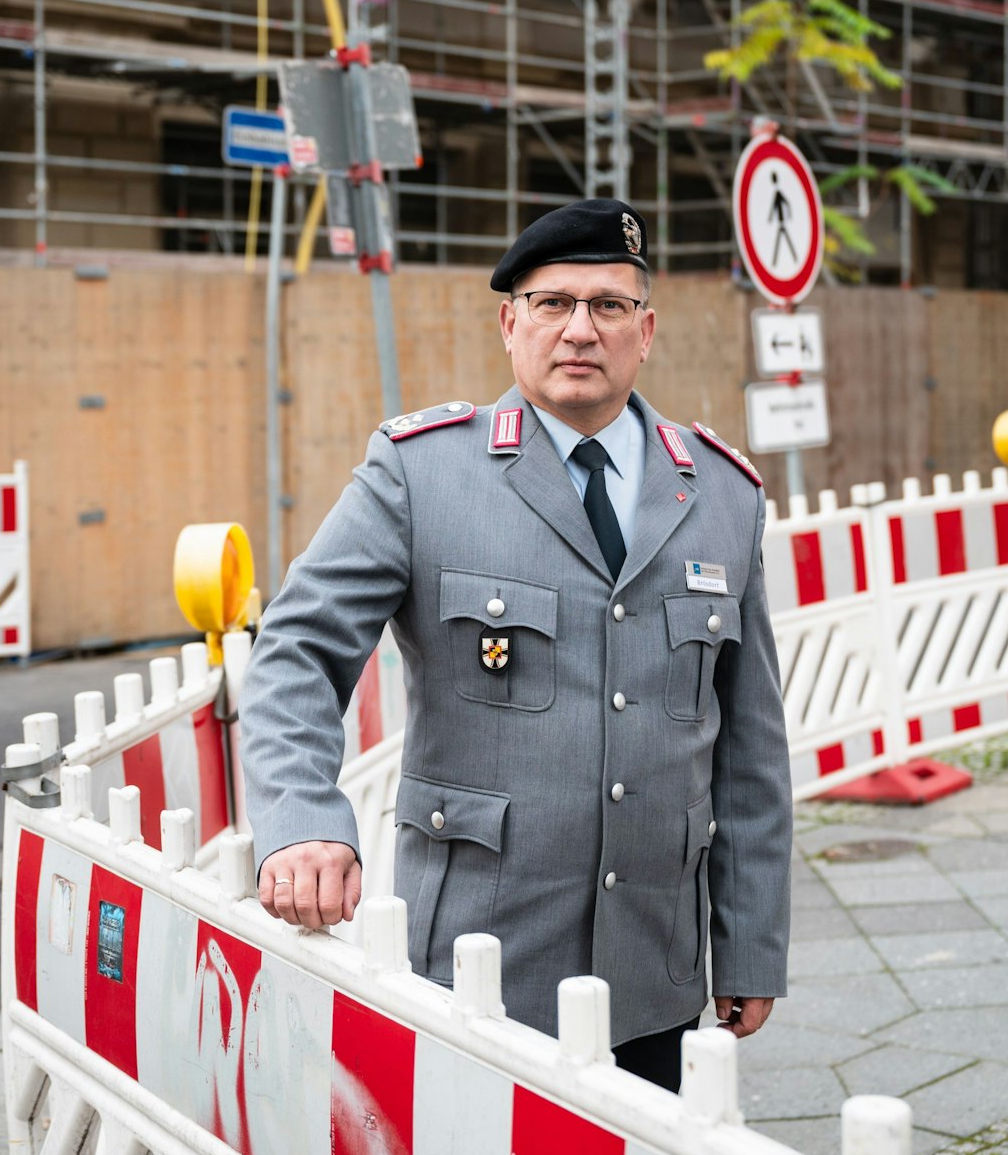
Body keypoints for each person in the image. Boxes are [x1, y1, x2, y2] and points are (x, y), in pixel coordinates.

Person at [239, 198, 792, 1092]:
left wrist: (750, 940)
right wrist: (301, 818)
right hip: (475, 968)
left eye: (608, 305)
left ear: (646, 331)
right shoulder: (421, 472)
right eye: (552, 303)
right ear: (510, 324)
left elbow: (751, 748)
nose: (580, 328)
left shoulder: (724, 494)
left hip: (653, 972)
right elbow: (297, 649)